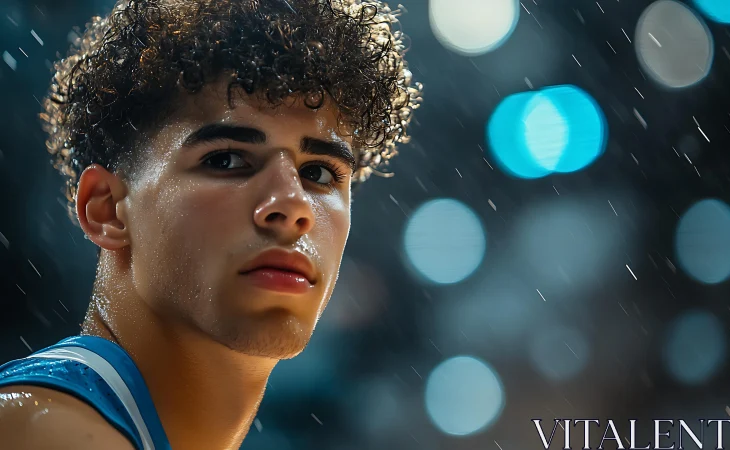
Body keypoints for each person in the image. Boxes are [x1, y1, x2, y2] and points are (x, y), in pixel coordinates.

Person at [0, 0, 421, 448]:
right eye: (227, 159)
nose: (292, 205)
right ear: (106, 209)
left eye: (317, 173)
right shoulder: (43, 430)